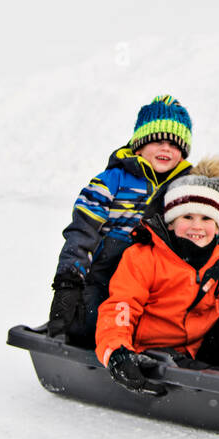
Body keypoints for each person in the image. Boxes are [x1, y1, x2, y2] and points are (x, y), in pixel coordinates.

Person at [95, 157, 219, 389]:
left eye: (206, 218)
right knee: (193, 373)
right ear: (170, 223)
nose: (197, 226)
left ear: (218, 225)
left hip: (204, 341)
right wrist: (117, 351)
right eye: (187, 217)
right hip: (158, 350)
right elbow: (120, 307)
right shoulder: (144, 258)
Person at [48, 94, 194, 346]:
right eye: (157, 140)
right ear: (139, 145)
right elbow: (83, 232)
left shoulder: (183, 190)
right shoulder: (111, 181)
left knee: (164, 327)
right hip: (103, 278)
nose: (166, 148)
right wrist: (68, 282)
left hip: (153, 285)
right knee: (87, 325)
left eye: (174, 144)